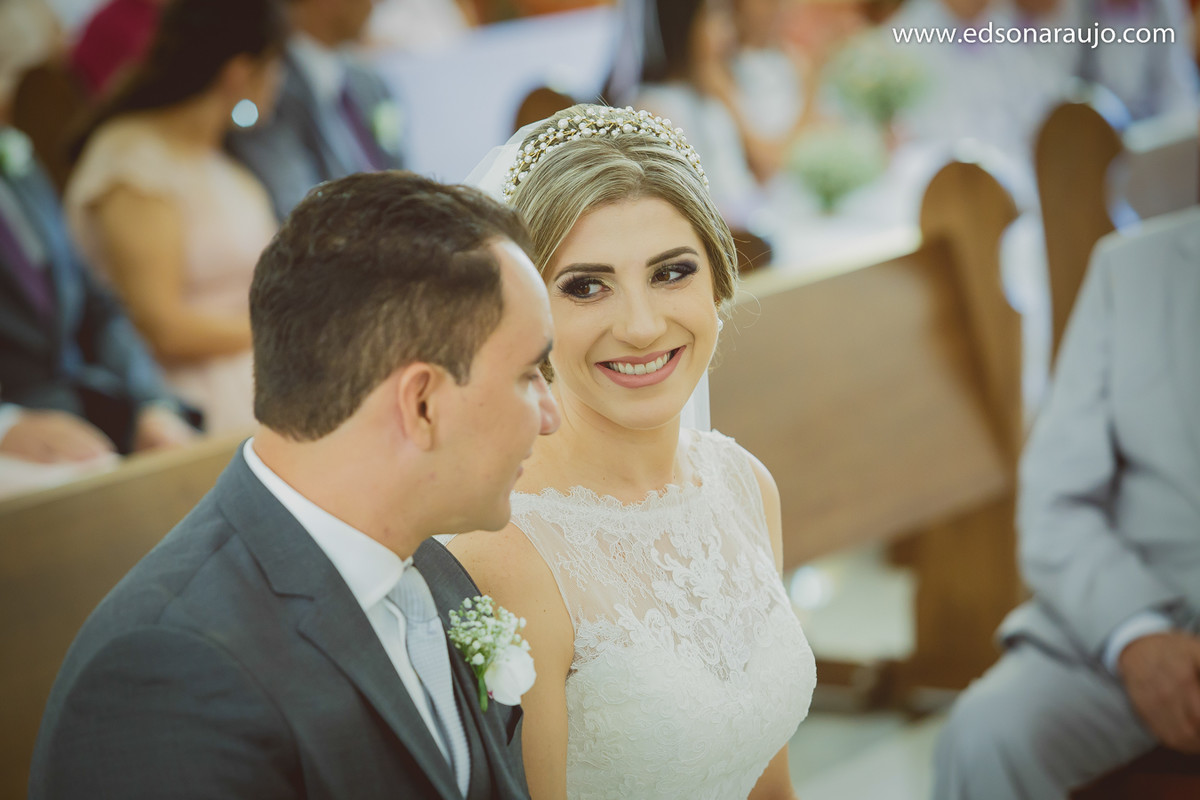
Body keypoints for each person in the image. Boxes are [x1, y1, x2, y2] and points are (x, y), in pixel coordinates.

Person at [30, 169, 559, 799]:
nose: (550, 415)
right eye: (528, 376)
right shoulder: (169, 678)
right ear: (421, 403)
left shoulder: (438, 572)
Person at [450, 104, 816, 800]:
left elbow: (771, 787)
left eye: (671, 273)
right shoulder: (505, 552)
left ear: (719, 281)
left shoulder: (743, 484)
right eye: (586, 287)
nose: (643, 326)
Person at [933, 204, 1200, 799]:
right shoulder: (1130, 270)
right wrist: (1137, 636)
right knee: (986, 735)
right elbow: (1055, 501)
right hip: (1146, 611)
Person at [64, 0, 283, 435]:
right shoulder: (134, 162)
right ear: (240, 72)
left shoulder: (226, 162)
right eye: (277, 65)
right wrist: (286, 332)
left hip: (265, 372)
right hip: (191, 398)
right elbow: (160, 327)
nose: (281, 82)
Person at [0, 0, 196, 466]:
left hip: (91, 415)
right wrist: (5, 425)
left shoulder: (18, 161)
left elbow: (97, 307)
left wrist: (153, 405)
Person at [227, 0, 407, 222]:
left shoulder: (370, 82)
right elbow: (295, 207)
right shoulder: (267, 90)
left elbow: (400, 169)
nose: (376, 4)